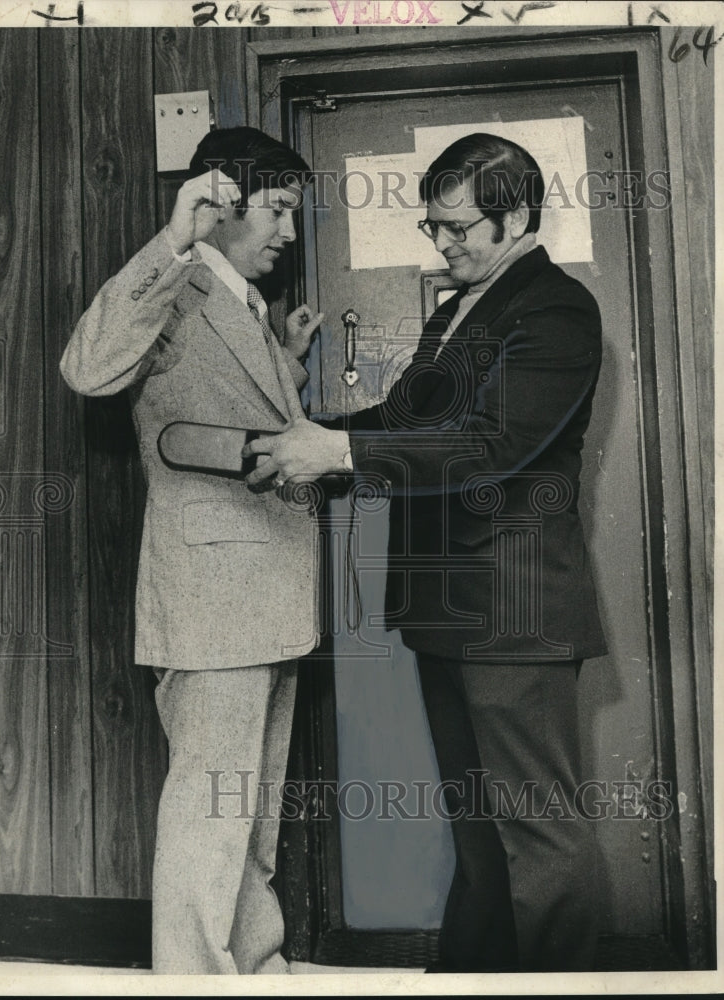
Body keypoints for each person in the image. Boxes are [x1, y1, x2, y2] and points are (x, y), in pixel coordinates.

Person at [244, 133, 608, 972]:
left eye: (457, 227)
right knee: (478, 832)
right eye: (430, 228)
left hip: (513, 614)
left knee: (539, 837)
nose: (442, 245)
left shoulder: (556, 307)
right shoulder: (456, 311)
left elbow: (490, 445)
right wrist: (317, 434)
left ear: (514, 214)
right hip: (447, 610)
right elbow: (406, 425)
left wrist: (335, 458)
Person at [60, 127, 324, 975]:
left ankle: (252, 965)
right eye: (278, 209)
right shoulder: (179, 283)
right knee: (213, 812)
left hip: (272, 589)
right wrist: (175, 237)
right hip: (213, 595)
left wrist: (288, 361)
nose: (288, 231)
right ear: (223, 200)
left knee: (249, 813)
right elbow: (88, 367)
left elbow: (228, 414)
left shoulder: (246, 305)